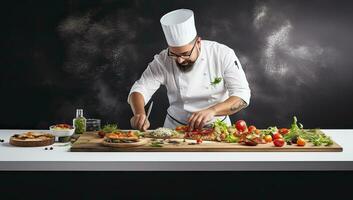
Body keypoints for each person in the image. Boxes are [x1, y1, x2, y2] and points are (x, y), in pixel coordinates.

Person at [128, 9, 251, 131]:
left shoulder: (222, 54)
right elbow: (140, 89)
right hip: (175, 129)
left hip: (218, 129)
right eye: (174, 54)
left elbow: (241, 95)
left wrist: (212, 111)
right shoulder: (163, 59)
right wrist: (139, 113)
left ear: (198, 42)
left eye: (185, 54)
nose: (180, 60)